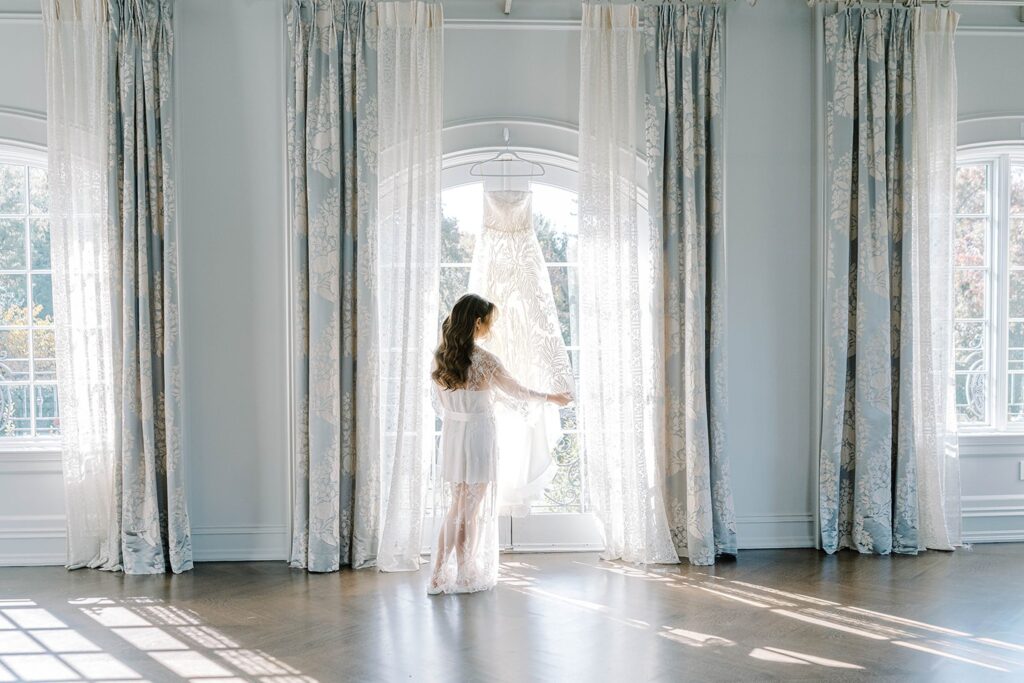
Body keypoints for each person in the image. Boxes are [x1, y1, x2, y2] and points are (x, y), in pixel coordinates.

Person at [428, 293, 572, 595]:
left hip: (453, 435)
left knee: (457, 506)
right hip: (478, 436)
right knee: (471, 509)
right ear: (477, 322)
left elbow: (440, 404)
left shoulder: (442, 356)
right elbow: (517, 391)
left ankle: (439, 574)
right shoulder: (485, 361)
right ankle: (466, 573)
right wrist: (551, 398)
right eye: (488, 323)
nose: (490, 329)